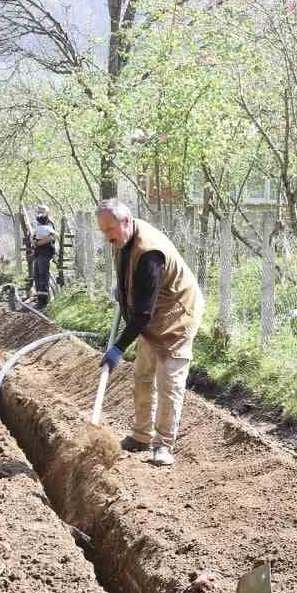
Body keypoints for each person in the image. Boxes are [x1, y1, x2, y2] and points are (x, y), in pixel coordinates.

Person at [94, 198, 204, 468]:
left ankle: (163, 445)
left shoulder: (149, 253)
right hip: (150, 313)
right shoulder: (121, 239)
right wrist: (121, 291)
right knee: (143, 374)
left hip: (177, 315)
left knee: (169, 381)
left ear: (126, 221)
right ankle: (141, 436)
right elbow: (127, 275)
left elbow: (142, 314)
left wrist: (118, 348)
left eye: (110, 229)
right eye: (103, 231)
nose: (107, 236)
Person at [29, 206, 57, 309]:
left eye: (41, 211)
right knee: (37, 275)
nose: (39, 213)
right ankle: (39, 297)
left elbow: (52, 237)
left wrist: (38, 243)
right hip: (38, 253)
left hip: (44, 253)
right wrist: (33, 241)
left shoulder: (49, 224)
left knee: (43, 275)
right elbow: (33, 236)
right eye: (38, 211)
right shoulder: (38, 223)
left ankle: (43, 301)